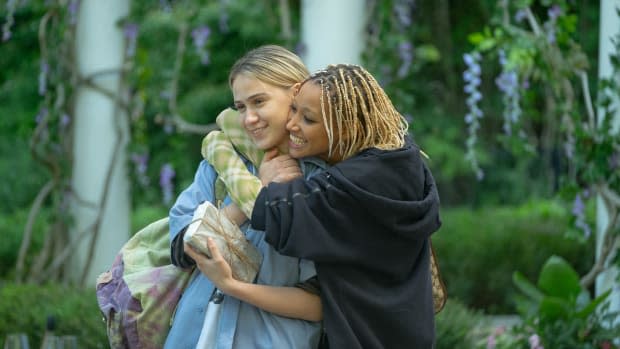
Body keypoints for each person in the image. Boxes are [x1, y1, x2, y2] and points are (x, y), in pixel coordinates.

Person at [245, 64, 443, 348]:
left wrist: (268, 180)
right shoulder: (403, 162)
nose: (291, 125)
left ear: (346, 128)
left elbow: (274, 213)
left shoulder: (354, 187)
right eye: (294, 110)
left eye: (308, 119)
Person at [164, 45, 325, 349]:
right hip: (192, 335)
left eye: (259, 102)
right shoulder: (221, 162)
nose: (249, 118)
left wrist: (233, 287)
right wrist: (253, 194)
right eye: (240, 107)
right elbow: (183, 250)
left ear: (296, 95)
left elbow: (319, 301)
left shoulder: (319, 179)